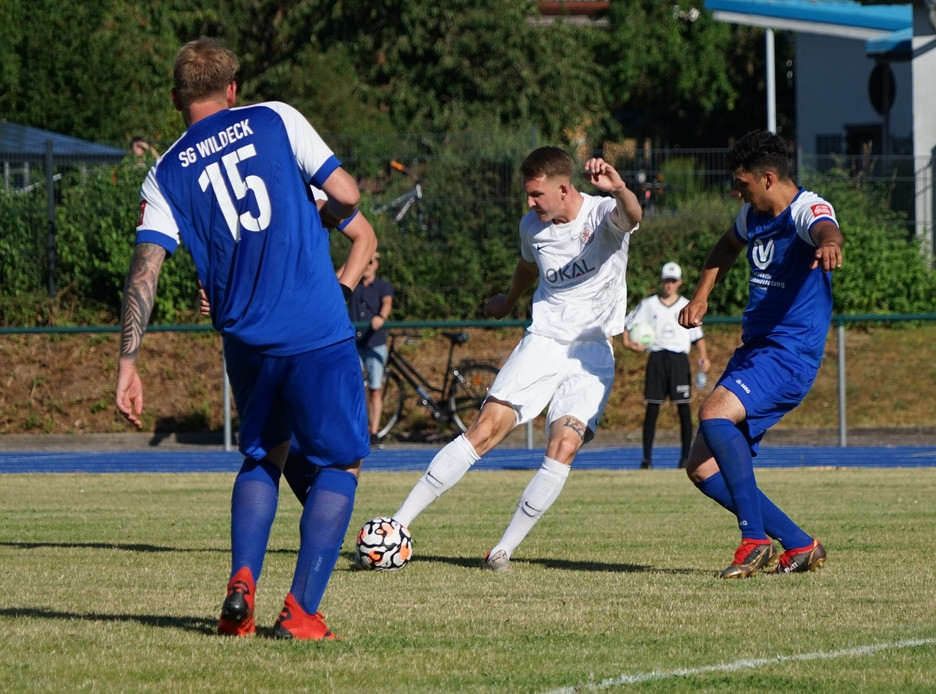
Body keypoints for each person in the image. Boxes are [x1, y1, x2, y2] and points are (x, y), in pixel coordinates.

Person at [114, 37, 378, 639]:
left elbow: (145, 271)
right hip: (315, 328)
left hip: (246, 342)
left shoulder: (164, 174)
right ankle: (302, 612)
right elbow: (348, 196)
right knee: (341, 462)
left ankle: (241, 585)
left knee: (264, 455)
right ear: (232, 89)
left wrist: (129, 360)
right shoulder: (275, 118)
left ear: (176, 99)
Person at [389, 146, 642, 572]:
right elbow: (529, 266)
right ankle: (398, 524)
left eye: (536, 194)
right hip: (543, 342)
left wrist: (619, 188)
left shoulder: (602, 213)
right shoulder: (532, 226)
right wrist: (508, 300)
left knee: (564, 446)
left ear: (563, 189)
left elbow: (632, 216)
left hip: (592, 353)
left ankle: (501, 551)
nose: (530, 202)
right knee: (483, 430)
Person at [677, 129, 843, 578]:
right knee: (701, 467)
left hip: (789, 353)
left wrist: (830, 244)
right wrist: (700, 296)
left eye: (742, 182)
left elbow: (825, 227)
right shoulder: (751, 215)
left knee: (713, 415)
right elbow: (726, 247)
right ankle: (801, 544)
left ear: (767, 178)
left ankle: (754, 541)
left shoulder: (806, 209)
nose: (737, 190)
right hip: (757, 351)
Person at [623, 261, 709, 471]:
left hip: (679, 360)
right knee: (652, 408)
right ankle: (647, 459)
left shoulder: (687, 305)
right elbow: (626, 323)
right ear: (661, 281)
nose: (669, 285)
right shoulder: (649, 304)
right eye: (666, 280)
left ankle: (685, 458)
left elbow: (698, 336)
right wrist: (628, 343)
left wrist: (704, 357)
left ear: (679, 282)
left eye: (673, 281)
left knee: (683, 408)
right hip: (657, 358)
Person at [342, 252, 394, 445]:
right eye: (366, 261)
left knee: (374, 389)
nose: (367, 264)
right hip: (355, 344)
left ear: (376, 264)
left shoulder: (382, 286)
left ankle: (374, 431)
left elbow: (387, 302)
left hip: (374, 344)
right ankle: (355, 429)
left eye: (371, 261)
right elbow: (337, 279)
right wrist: (358, 255)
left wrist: (381, 316)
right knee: (352, 389)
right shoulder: (353, 284)